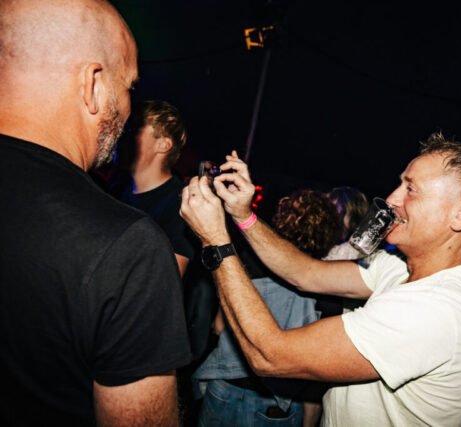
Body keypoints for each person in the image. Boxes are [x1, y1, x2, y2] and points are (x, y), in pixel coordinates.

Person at [180, 132, 461, 426]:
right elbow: (306, 273)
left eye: (411, 189)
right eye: (400, 184)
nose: (392, 199)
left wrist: (216, 241)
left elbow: (270, 355)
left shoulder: (437, 312)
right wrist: (243, 215)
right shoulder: (401, 267)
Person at [0, 1, 191, 425]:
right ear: (92, 84)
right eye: (128, 87)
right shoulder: (128, 244)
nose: (128, 109)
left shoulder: (148, 219)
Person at [193, 189, 341, 426]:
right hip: (277, 401)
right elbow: (317, 371)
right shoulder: (328, 286)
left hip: (226, 386)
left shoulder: (245, 263)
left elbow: (219, 326)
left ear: (282, 219)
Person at [117, 100, 197, 277]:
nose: (121, 135)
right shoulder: (117, 190)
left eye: (134, 130)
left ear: (163, 145)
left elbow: (166, 283)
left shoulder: (180, 205)